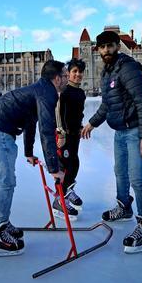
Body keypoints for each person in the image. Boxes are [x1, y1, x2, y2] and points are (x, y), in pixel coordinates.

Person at [0, 60, 68, 257]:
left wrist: (28, 152)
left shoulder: (39, 89)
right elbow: (46, 130)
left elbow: (30, 121)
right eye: (66, 75)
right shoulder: (48, 92)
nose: (67, 79)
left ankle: (2, 223)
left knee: (5, 181)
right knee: (6, 182)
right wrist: (53, 168)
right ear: (57, 78)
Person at [81, 31, 142, 254]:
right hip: (120, 132)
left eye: (109, 46)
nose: (105, 51)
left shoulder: (128, 67)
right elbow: (107, 105)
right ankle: (124, 207)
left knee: (137, 178)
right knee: (120, 172)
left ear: (117, 46)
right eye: (102, 47)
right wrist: (92, 123)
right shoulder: (107, 72)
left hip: (134, 131)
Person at [53, 58, 87, 221]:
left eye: (80, 72)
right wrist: (61, 134)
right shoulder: (64, 92)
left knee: (74, 163)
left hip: (75, 134)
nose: (78, 74)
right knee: (64, 167)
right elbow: (58, 114)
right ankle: (58, 201)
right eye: (74, 71)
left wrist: (80, 127)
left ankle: (67, 191)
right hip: (64, 135)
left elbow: (78, 114)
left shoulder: (80, 92)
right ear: (68, 73)